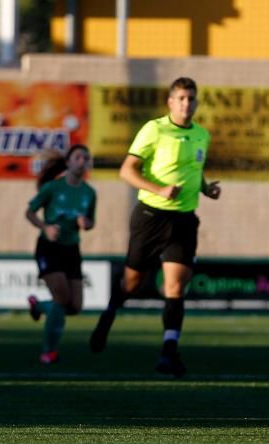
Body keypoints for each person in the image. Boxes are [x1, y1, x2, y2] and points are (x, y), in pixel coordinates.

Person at [89, 77, 221, 378]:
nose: (187, 103)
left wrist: (206, 188)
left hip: (184, 220)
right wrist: (158, 189)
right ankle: (108, 316)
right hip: (151, 216)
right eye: (182, 98)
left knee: (175, 287)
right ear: (171, 102)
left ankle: (169, 352)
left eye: (191, 98)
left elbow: (193, 171)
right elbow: (127, 171)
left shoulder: (201, 134)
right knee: (132, 284)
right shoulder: (154, 129)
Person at [25, 145, 96, 365]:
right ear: (68, 162)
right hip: (50, 248)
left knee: (74, 307)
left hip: (72, 250)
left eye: (86, 157)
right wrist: (46, 227)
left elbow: (91, 222)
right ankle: (49, 352)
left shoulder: (89, 193)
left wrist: (86, 223)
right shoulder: (53, 188)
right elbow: (29, 212)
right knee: (61, 299)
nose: (82, 161)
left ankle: (37, 306)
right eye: (78, 157)